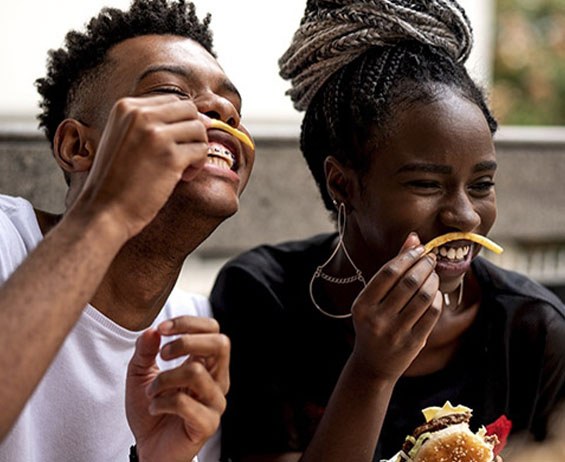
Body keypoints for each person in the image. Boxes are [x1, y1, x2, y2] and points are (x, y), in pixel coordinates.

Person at [210, 1, 565, 461]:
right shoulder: (261, 298)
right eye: (426, 184)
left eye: (481, 185)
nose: (466, 216)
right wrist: (371, 372)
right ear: (344, 184)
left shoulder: (532, 330)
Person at [0, 0, 255, 461]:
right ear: (78, 147)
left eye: (232, 108)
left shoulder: (192, 341)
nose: (222, 110)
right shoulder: (4, 241)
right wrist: (109, 211)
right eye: (172, 93)